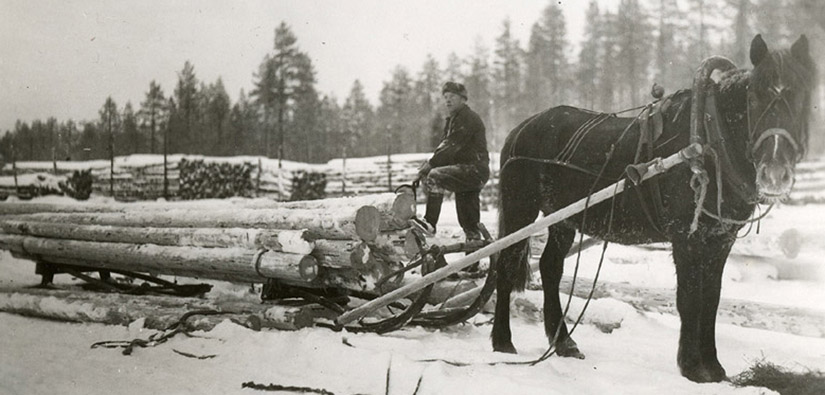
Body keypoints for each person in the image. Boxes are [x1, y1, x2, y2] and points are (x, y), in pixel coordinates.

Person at [413, 82, 490, 242]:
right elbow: (445, 149)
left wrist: (429, 166)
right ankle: (472, 263)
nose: (448, 100)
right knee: (468, 221)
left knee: (435, 176)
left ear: (463, 99)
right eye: (445, 97)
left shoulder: (467, 118)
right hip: (465, 172)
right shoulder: (453, 120)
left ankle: (430, 223)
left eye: (452, 97)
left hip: (473, 169)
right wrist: (426, 168)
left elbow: (450, 145)